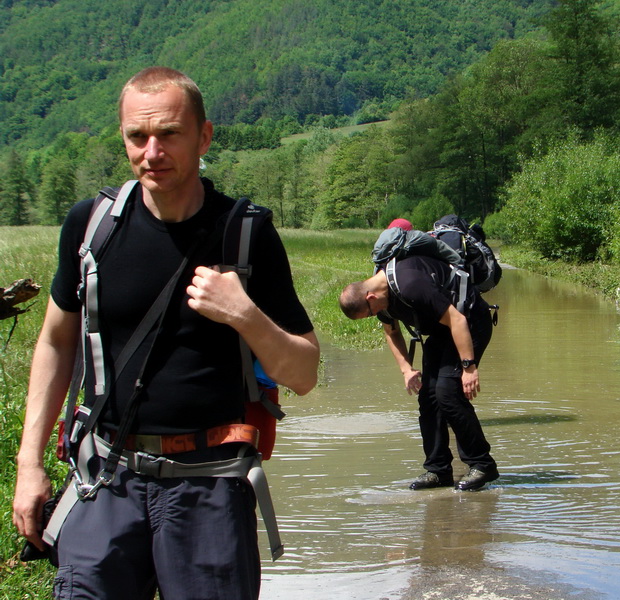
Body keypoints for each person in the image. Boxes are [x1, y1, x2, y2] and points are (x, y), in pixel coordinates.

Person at [12, 66, 320, 600]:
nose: (152, 151)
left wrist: (243, 314)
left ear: (203, 137)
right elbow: (57, 342)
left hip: (209, 483)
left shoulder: (246, 235)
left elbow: (304, 373)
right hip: (105, 477)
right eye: (138, 136)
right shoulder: (92, 227)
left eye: (170, 134)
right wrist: (28, 464)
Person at [339, 255, 498, 492]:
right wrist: (406, 369)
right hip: (443, 331)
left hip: (470, 321)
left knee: (448, 393)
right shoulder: (380, 295)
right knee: (429, 398)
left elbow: (458, 319)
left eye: (371, 313)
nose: (376, 315)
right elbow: (391, 333)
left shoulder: (411, 284)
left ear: (370, 297)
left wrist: (468, 367)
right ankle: (438, 470)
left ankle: (482, 465)